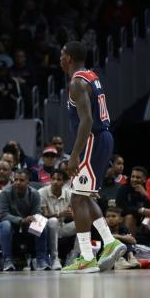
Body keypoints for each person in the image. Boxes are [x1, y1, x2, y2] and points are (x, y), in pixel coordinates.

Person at [58, 42, 126, 273]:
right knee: (84, 197)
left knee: (77, 199)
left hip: (92, 139)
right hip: (103, 138)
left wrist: (74, 155)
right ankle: (109, 242)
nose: (59, 58)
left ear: (68, 58)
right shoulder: (91, 76)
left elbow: (86, 120)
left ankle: (87, 257)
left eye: (61, 54)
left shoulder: (77, 83)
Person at [0, 169, 51, 271]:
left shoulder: (34, 194)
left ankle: (40, 260)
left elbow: (37, 213)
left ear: (28, 182)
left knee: (40, 221)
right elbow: (3, 215)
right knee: (6, 224)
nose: (17, 183)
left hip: (26, 226)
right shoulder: (5, 193)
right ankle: (7, 260)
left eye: (21, 180)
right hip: (4, 227)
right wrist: (21, 220)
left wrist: (32, 218)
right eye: (15, 180)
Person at [38, 169, 76, 269]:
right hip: (45, 227)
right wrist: (60, 214)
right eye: (53, 179)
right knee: (53, 221)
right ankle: (55, 258)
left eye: (59, 179)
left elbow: (75, 214)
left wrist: (72, 214)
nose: (55, 182)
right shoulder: (42, 192)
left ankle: (74, 257)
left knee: (82, 223)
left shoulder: (69, 194)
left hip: (61, 227)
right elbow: (44, 216)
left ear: (64, 182)